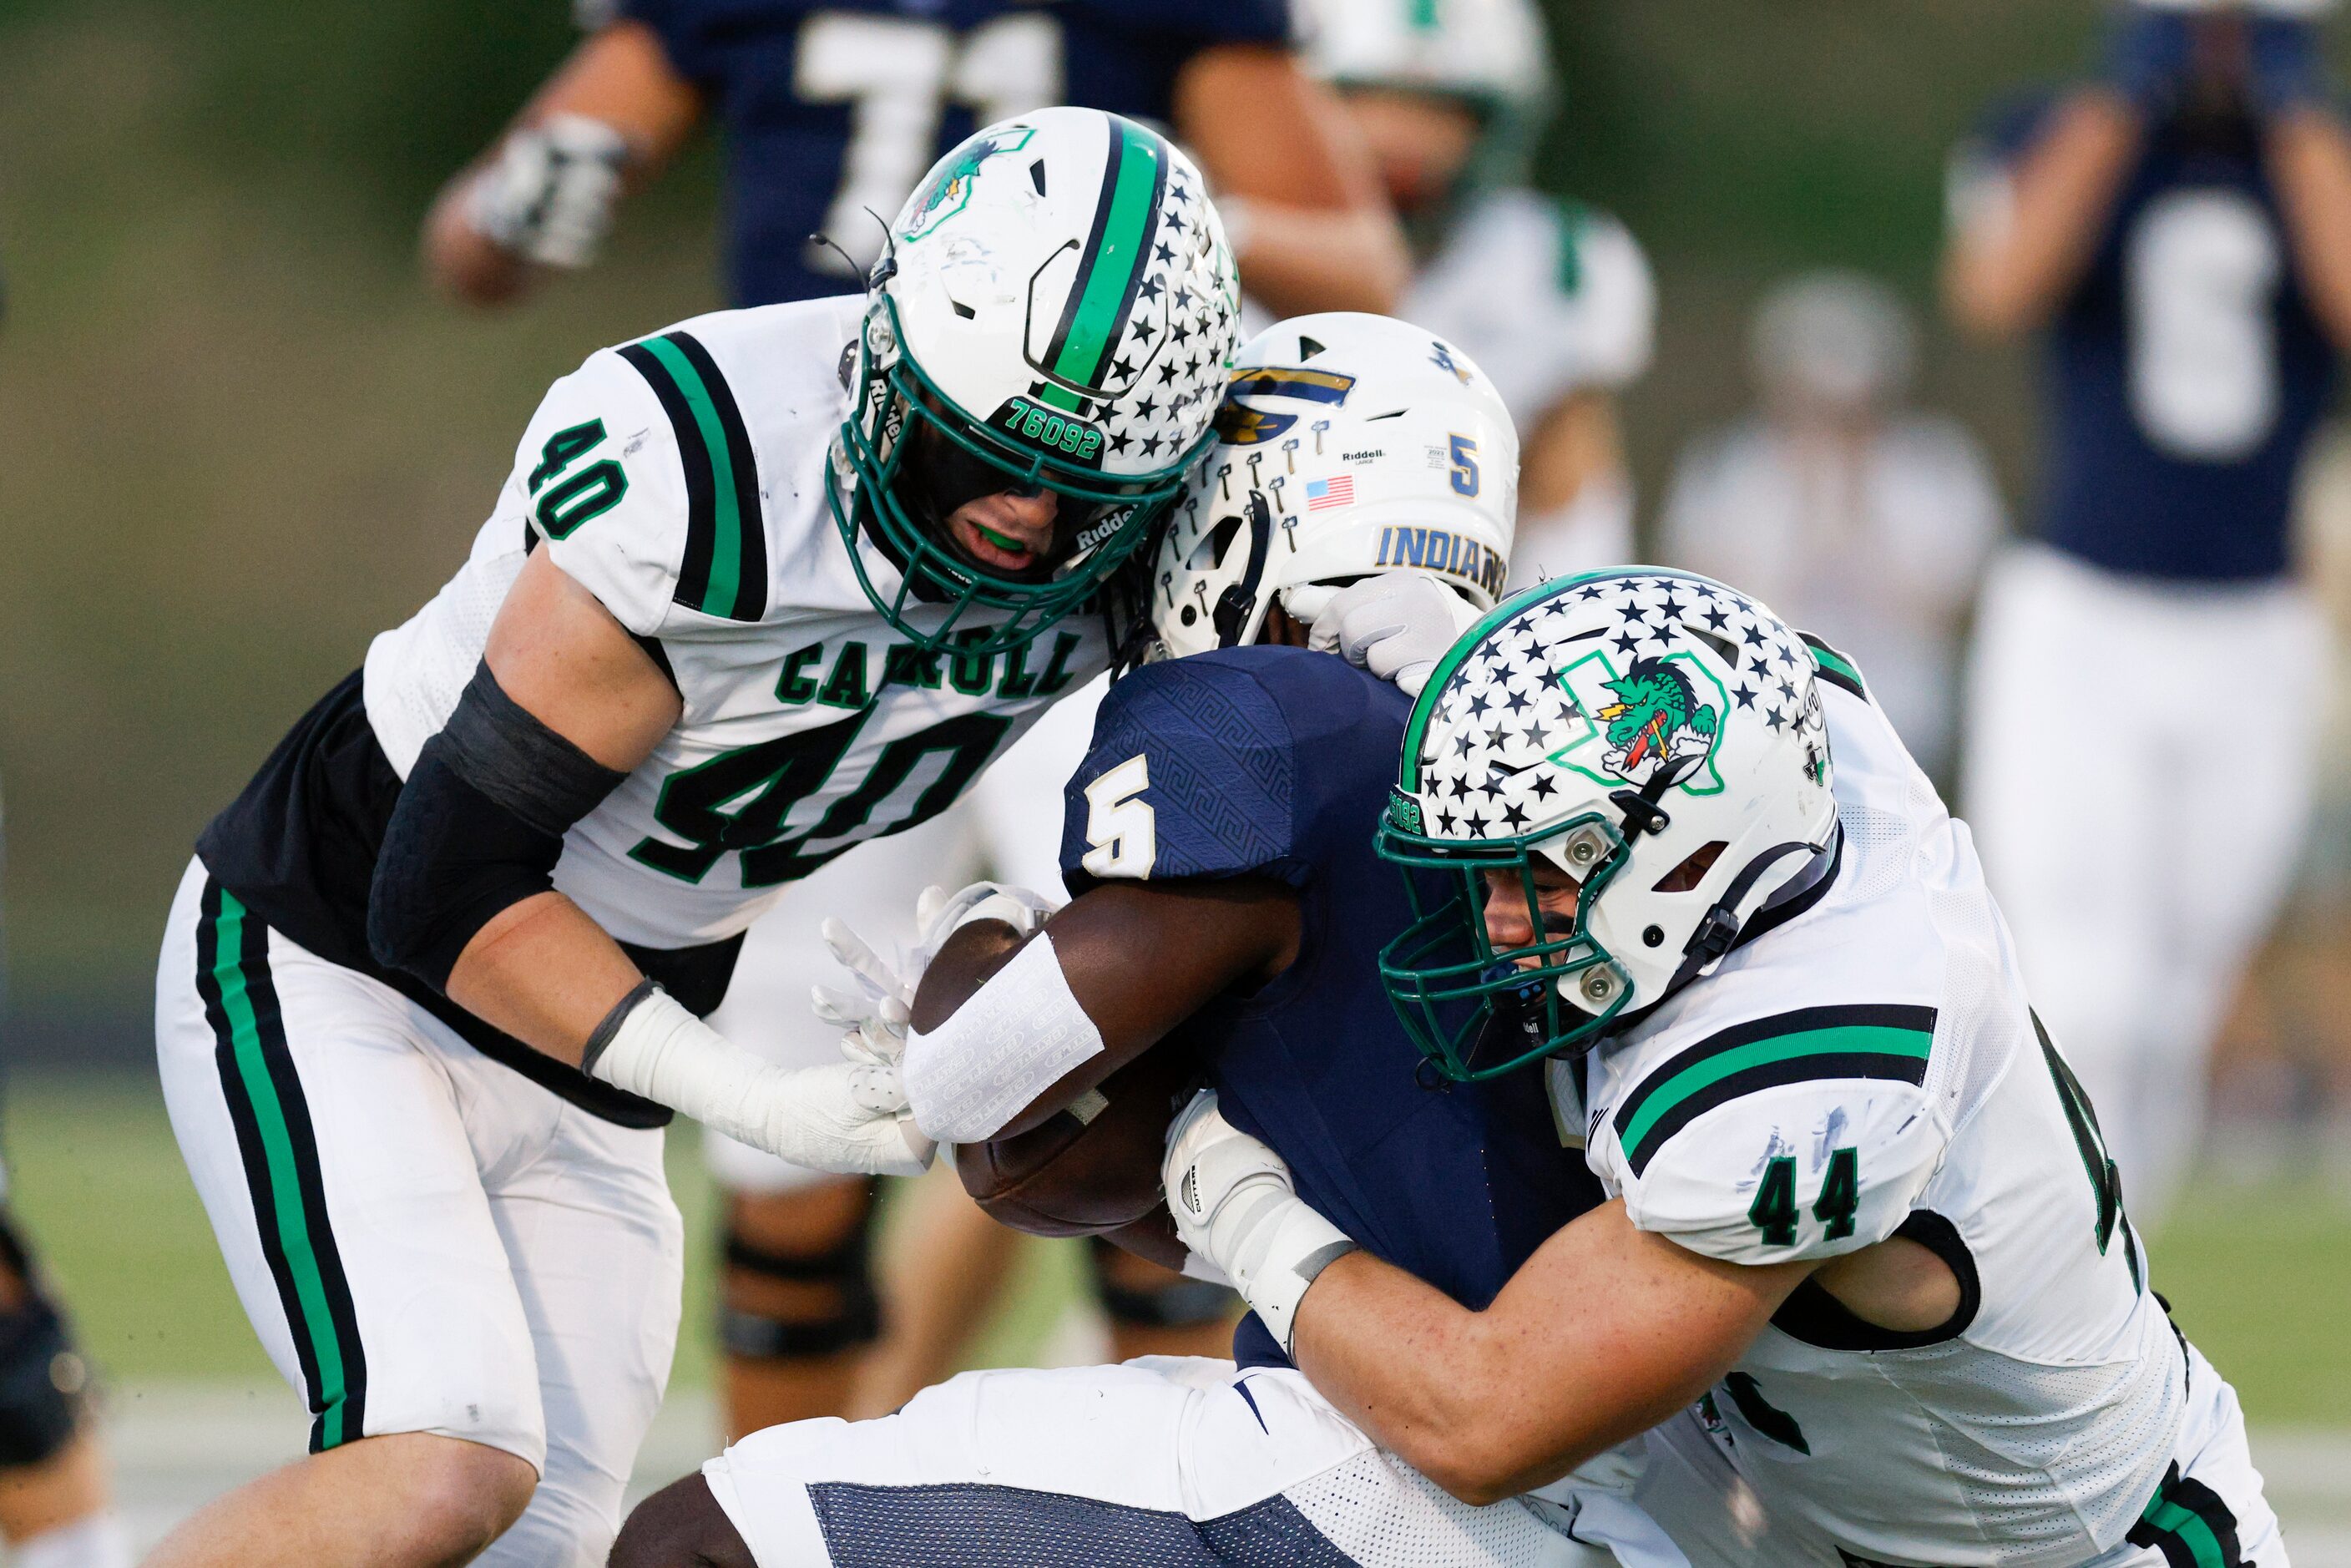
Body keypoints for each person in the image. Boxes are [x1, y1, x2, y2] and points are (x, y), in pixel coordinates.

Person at [147, 109, 1247, 1568]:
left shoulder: (1138, 544)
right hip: (342, 954)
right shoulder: (706, 467)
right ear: (885, 360)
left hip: (597, 1047)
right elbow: (443, 890)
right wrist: (755, 1097)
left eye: (1081, 497)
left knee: (535, 1545)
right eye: (977, 456)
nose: (1021, 520)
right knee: (434, 1470)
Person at [419, 0, 1412, 1427]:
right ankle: (776, 1514)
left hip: (1071, 585)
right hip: (810, 577)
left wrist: (1118, 250)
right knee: (783, 1149)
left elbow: (1359, 259)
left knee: (1153, 1070)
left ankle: (1206, 1499)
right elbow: (480, 243)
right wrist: (520, 195)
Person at [611, 312, 1686, 1568]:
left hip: (1383, 1477)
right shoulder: (1529, 762)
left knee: (697, 1540)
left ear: (1249, 507)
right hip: (1581, 1479)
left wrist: (970, 952)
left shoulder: (1276, 714)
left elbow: (977, 1081)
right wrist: (1181, 1154)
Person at [1944, 0, 2351, 1222]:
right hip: (2082, 606)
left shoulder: (2320, 147)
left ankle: (2124, 1270)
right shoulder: (2052, 128)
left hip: (2255, 622)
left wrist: (2289, 113)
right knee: (2081, 982)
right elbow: (1998, 286)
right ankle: (2035, 1253)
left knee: (2180, 998)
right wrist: (2125, 101)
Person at [1301, 0, 1656, 587]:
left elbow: (1571, 507)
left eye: (1439, 110)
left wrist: (1551, 646)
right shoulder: (1231, 232)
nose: (1402, 137)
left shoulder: (1558, 264)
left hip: (1466, 615)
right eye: (1370, 100)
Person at [1659, 271, 2005, 777]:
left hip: (1906, 727)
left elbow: (1958, 602)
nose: (1828, 425)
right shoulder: (1723, 471)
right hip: (1759, 728)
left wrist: (1857, 508)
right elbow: (1698, 607)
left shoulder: (1938, 468)